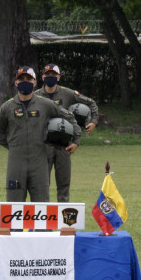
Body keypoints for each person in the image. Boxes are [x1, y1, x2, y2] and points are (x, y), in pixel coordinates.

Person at [0, 66, 78, 202]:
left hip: (39, 161)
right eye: (21, 79)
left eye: (28, 79)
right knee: (14, 206)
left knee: (41, 205)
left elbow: (69, 117)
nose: (25, 81)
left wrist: (76, 140)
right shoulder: (7, 107)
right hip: (16, 161)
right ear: (16, 83)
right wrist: (16, 146)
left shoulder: (46, 104)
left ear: (35, 82)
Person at [37, 63, 98, 201]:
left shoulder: (68, 93)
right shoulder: (35, 96)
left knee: (63, 184)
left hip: (64, 145)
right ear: (42, 77)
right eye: (47, 75)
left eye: (53, 75)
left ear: (58, 77)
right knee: (41, 184)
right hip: (43, 146)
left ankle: (63, 219)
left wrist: (93, 121)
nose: (50, 77)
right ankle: (43, 216)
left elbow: (91, 103)